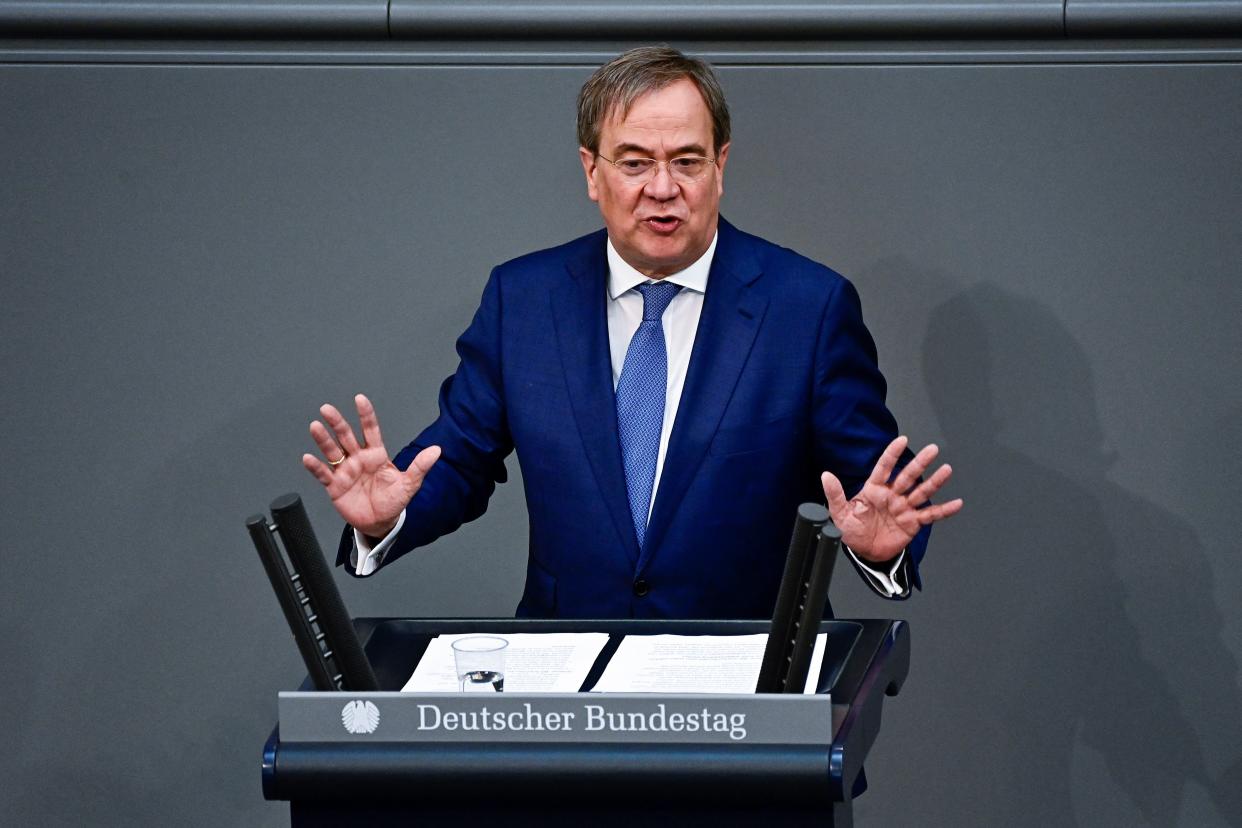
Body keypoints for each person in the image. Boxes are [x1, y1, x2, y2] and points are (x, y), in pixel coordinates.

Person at [302, 46, 962, 619]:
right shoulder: (524, 300)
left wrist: (886, 549)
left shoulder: (808, 309)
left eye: (687, 160)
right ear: (592, 171)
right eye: (635, 162)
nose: (663, 188)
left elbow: (876, 492)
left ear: (720, 166)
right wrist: (389, 517)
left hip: (746, 692)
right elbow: (458, 461)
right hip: (569, 693)